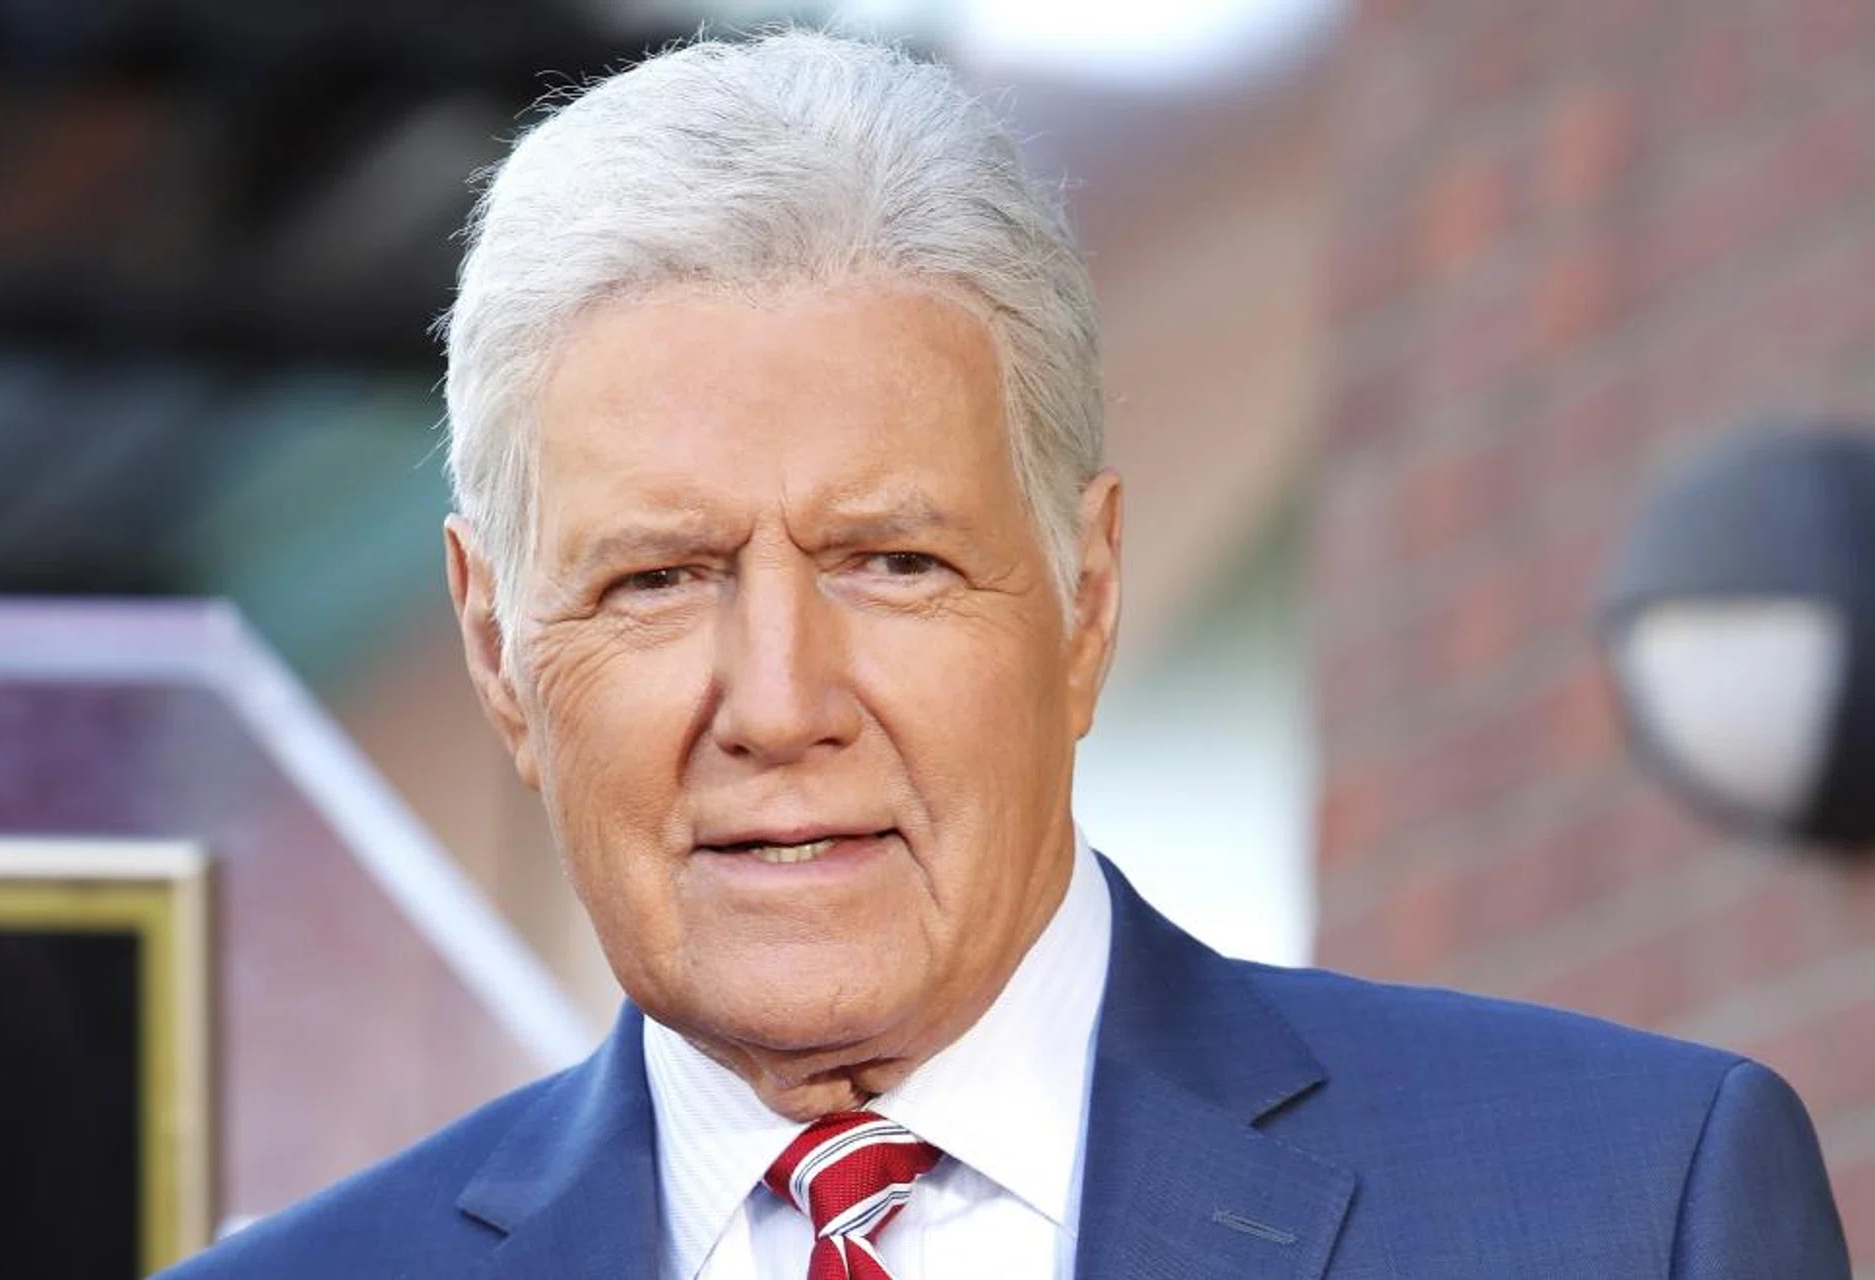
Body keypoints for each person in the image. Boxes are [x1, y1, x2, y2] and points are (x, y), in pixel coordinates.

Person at [160, 28, 1848, 1280]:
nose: (780, 705)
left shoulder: (1629, 1210)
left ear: (1086, 595)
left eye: (890, 563)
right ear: (495, 647)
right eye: (661, 580)